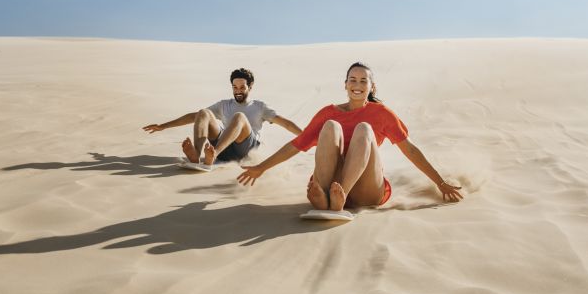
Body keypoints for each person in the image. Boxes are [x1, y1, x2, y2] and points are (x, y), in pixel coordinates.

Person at [237, 62, 463, 210]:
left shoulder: (381, 114)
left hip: (367, 188)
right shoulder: (328, 112)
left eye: (363, 81)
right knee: (330, 126)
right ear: (345, 84)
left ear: (371, 87)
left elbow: (410, 150)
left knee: (363, 129)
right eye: (352, 80)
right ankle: (326, 195)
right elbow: (296, 145)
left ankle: (339, 196)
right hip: (330, 182)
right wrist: (261, 168)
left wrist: (440, 183)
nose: (357, 85)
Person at [143, 68, 302, 165]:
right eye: (234, 87)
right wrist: (164, 126)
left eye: (242, 87)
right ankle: (197, 156)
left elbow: (286, 124)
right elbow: (195, 117)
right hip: (225, 148)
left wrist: (307, 137)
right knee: (203, 113)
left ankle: (213, 155)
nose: (237, 90)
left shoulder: (260, 107)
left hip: (245, 149)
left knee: (239, 117)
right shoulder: (224, 104)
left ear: (250, 87)